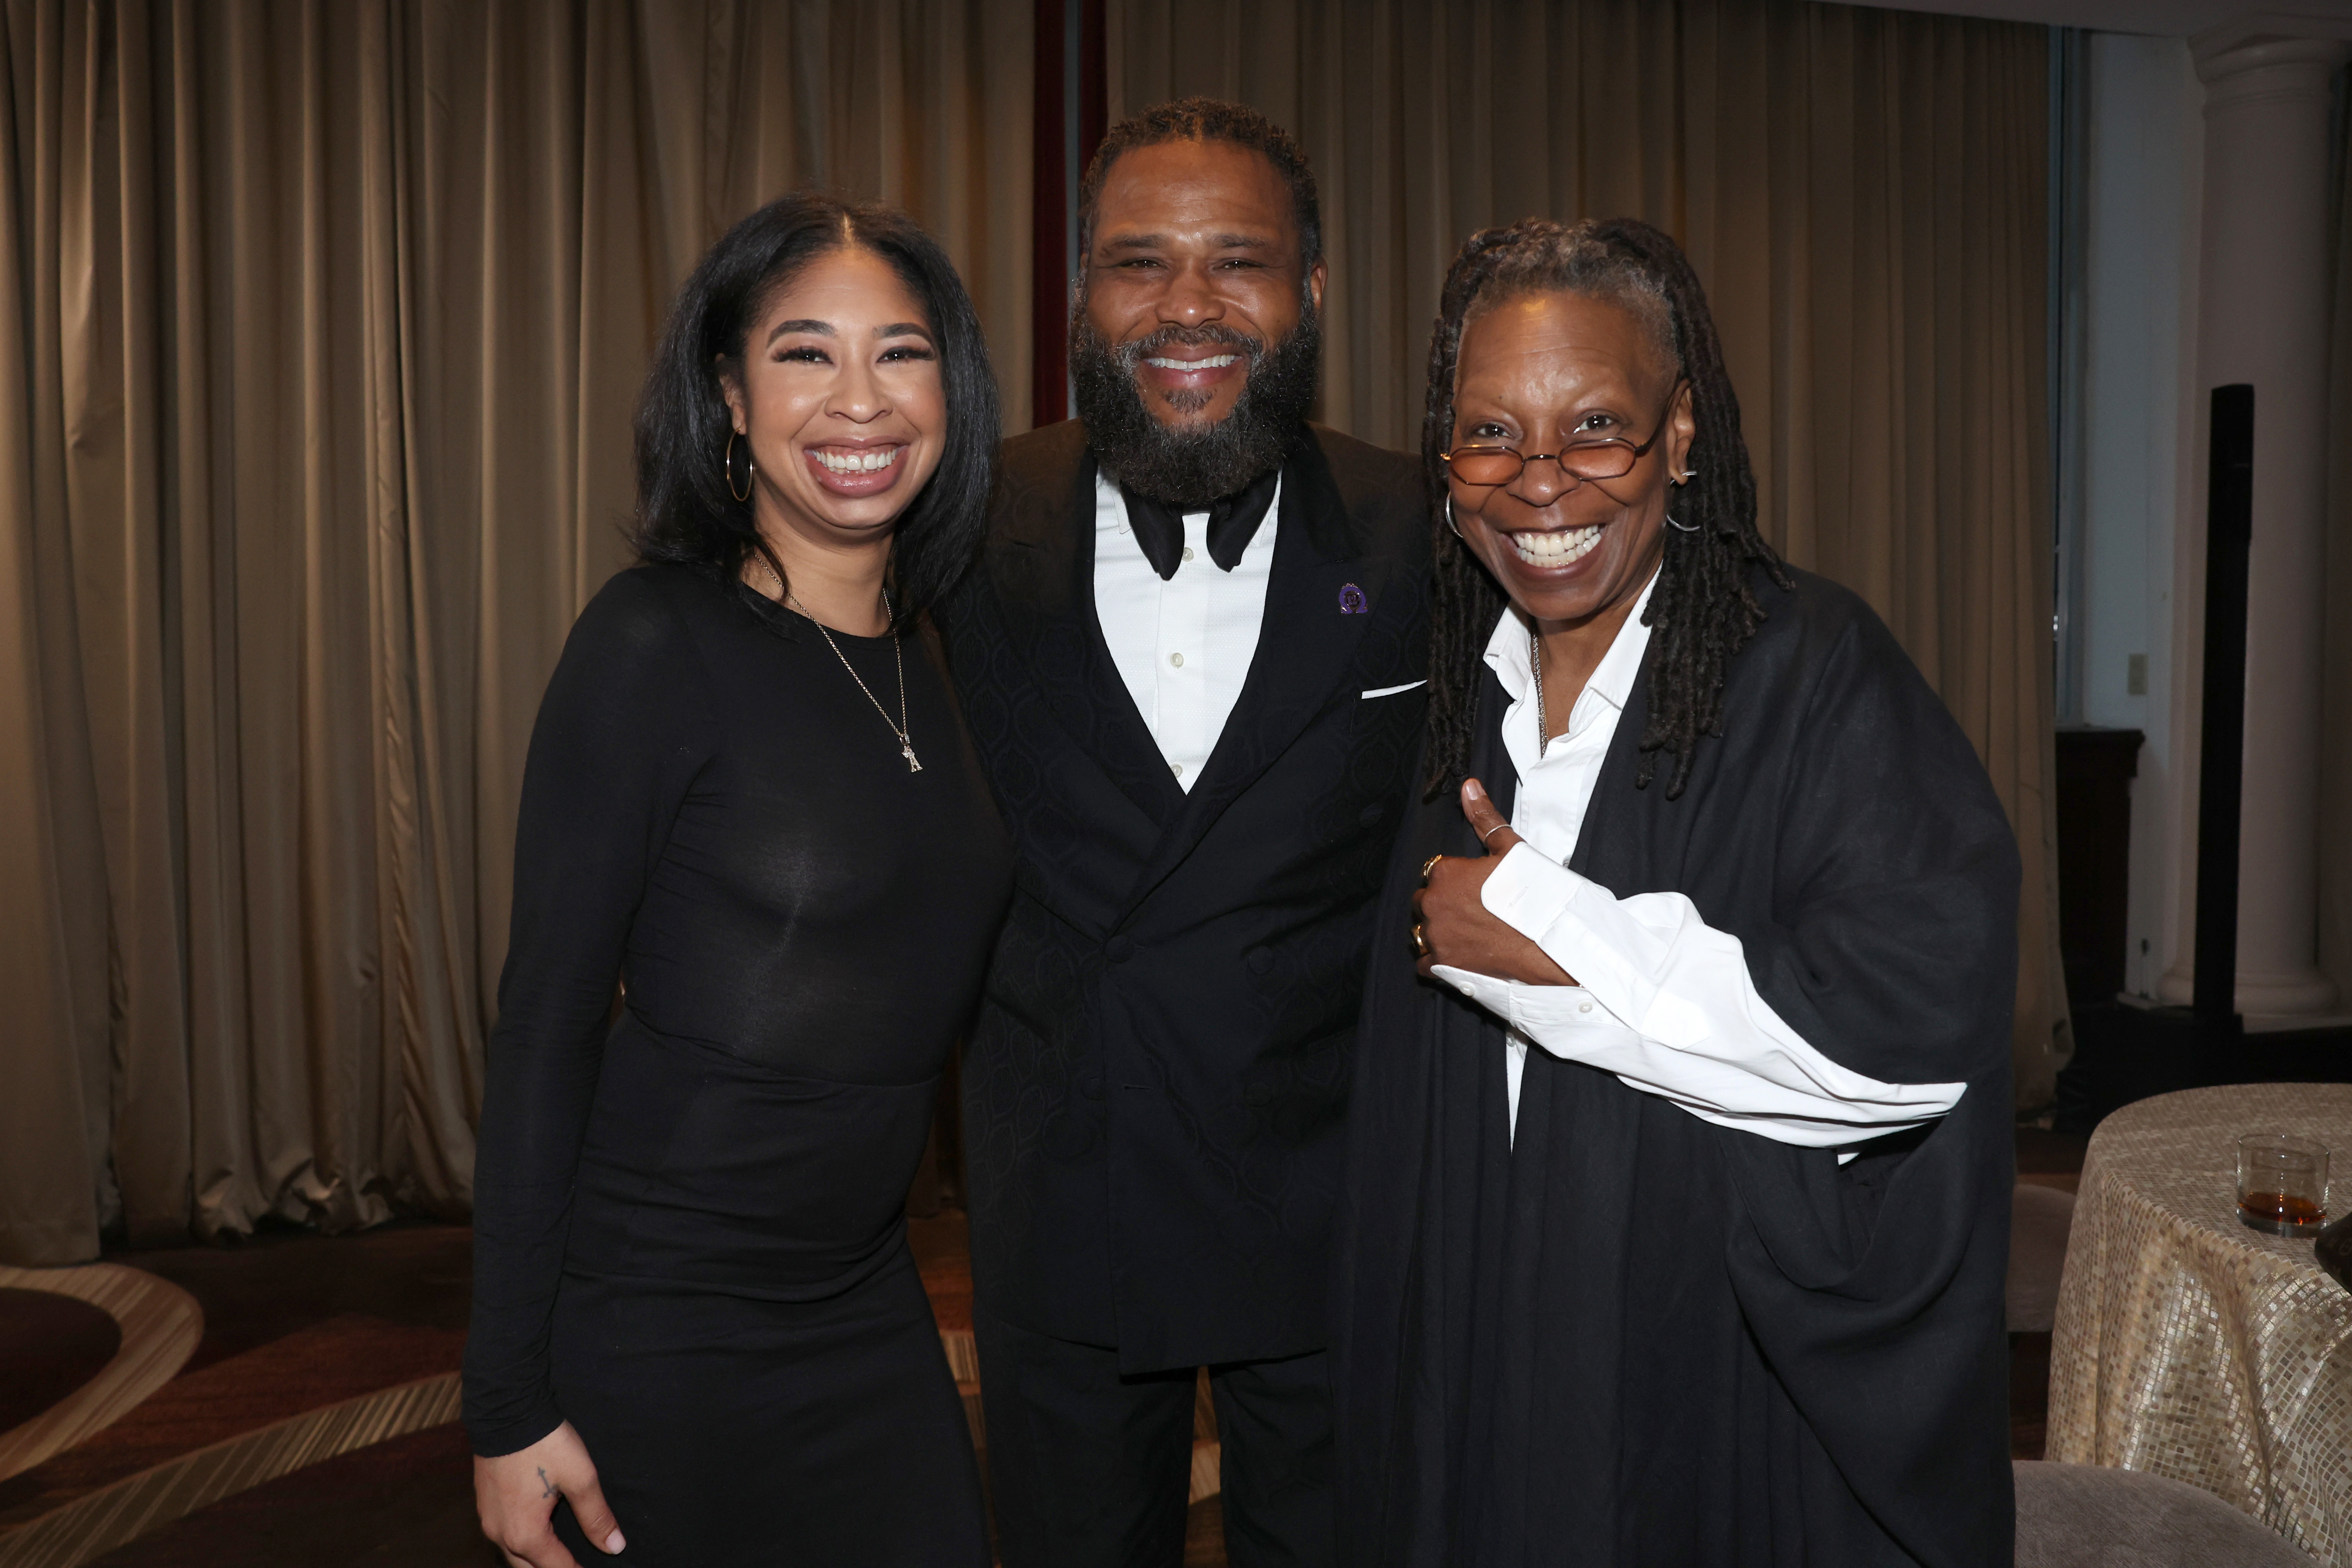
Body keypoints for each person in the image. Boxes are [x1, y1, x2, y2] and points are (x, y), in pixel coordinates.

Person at [1332, 217, 2017, 1566]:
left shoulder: (1813, 670)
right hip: (1488, 1332)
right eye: (1489, 435)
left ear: (1684, 433)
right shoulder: (1455, 682)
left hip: (1707, 1369)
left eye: (1598, 426)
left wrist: (1555, 937)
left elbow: (1908, 1049)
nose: (1540, 484)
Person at [464, 194, 1009, 1568]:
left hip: (867, 1300)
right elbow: (543, 1027)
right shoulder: (654, 641)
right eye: (804, 354)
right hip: (661, 1318)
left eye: (900, 352)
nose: (859, 401)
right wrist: (505, 1404)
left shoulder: (943, 658)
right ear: (727, 395)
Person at [936, 100, 1428, 1566]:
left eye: (1240, 263)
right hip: (1065, 1194)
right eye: (1140, 264)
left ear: (1314, 293)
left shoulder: (1425, 529)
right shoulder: (960, 518)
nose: (1191, 306)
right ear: (1082, 292)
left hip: (1333, 1204)